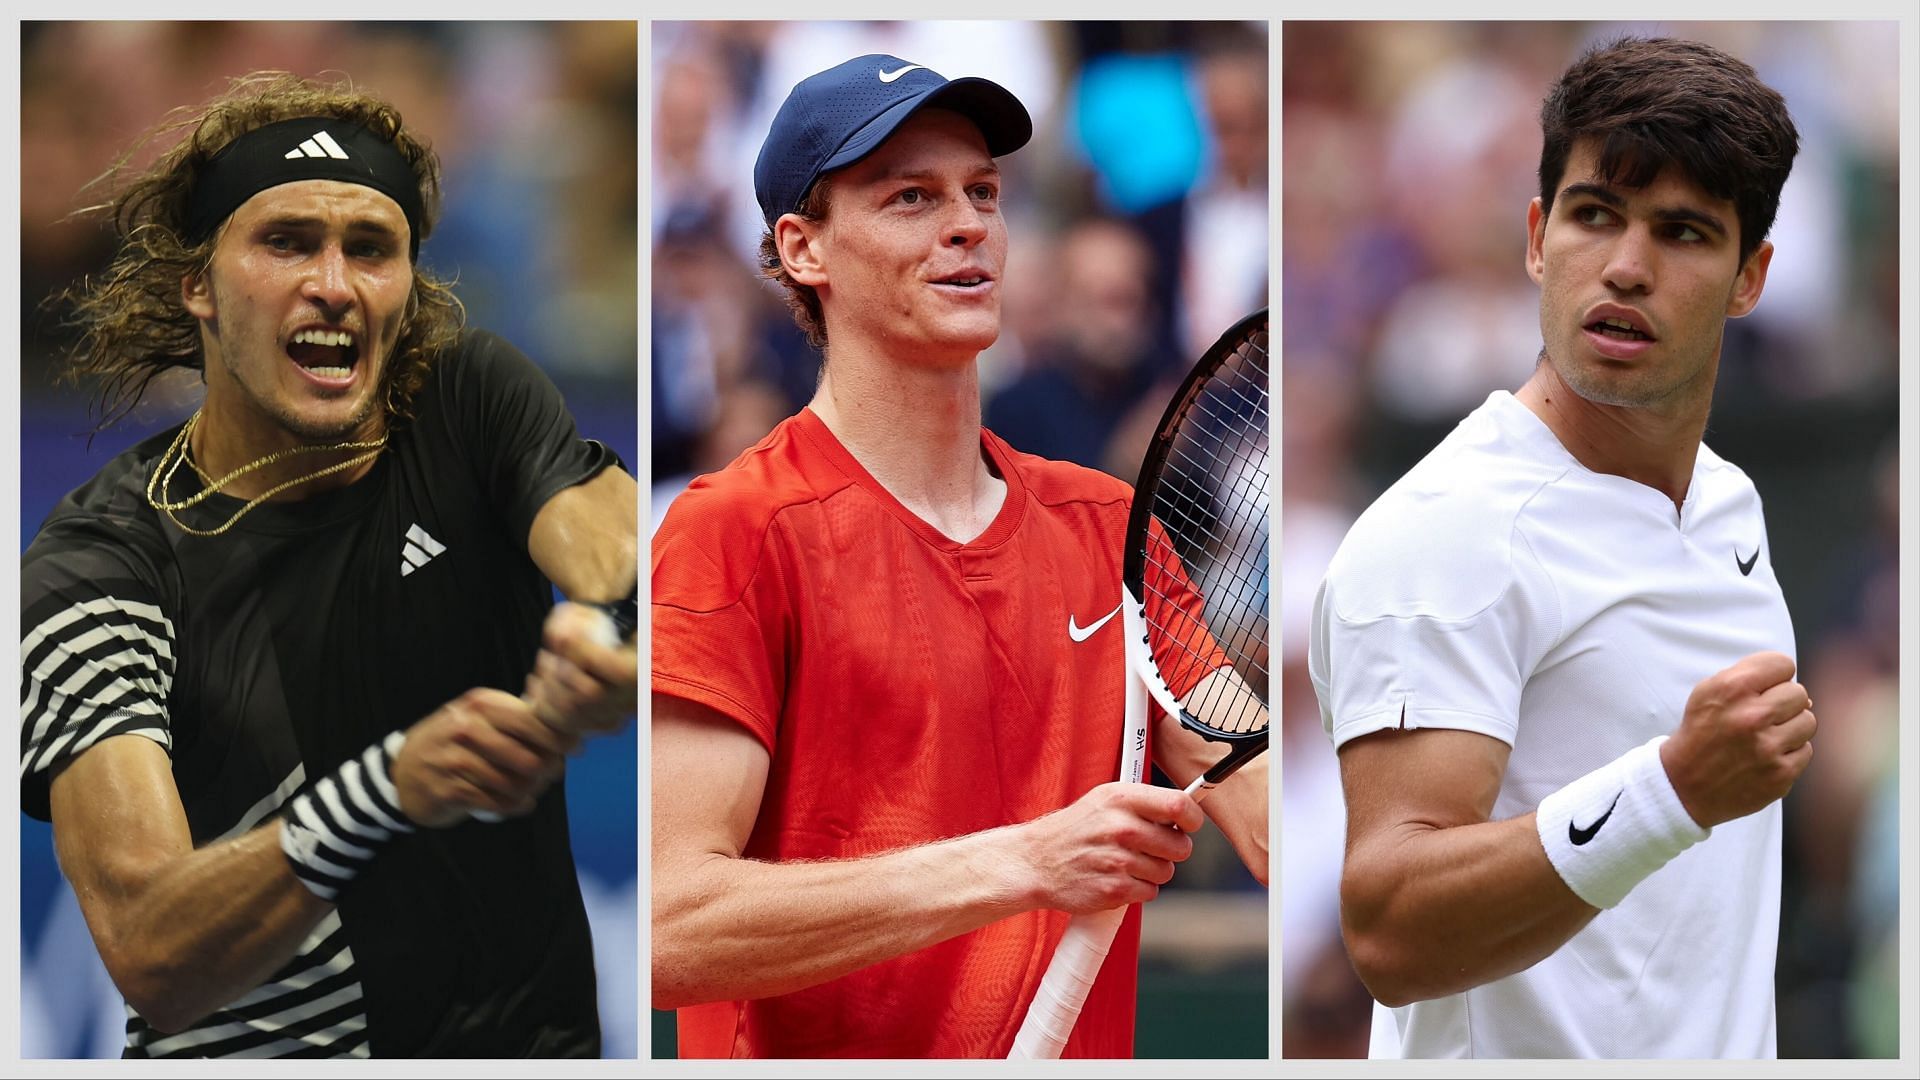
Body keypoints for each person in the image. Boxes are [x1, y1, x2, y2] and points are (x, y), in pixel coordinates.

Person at [650, 54, 1268, 1059]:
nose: (968, 222)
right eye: (911, 197)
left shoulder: (1114, 529)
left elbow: (1260, 793)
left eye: (983, 191)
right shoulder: (735, 532)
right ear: (803, 249)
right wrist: (1027, 863)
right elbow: (671, 928)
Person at [18, 72, 639, 1058]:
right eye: (287, 241)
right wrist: (384, 790)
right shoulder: (95, 569)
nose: (336, 285)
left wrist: (603, 624)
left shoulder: (465, 402)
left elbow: (603, 527)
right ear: (198, 284)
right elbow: (152, 953)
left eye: (370, 248)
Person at [1309, 37, 1808, 1058]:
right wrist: (1672, 792)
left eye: (1682, 232)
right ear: (1538, 237)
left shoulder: (1730, 507)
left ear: (1750, 277)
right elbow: (1389, 926)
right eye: (1595, 216)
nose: (1626, 266)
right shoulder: (1444, 533)